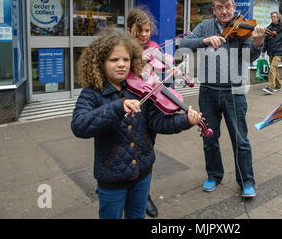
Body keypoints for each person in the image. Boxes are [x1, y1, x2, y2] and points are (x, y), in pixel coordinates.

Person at [71, 29, 202, 219]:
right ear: (100, 63)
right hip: (112, 177)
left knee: (137, 216)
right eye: (114, 60)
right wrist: (118, 107)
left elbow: (157, 123)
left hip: (143, 172)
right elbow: (79, 126)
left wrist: (185, 120)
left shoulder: (139, 88)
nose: (121, 64)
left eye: (126, 59)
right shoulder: (92, 93)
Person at [179, 0, 266, 198]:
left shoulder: (243, 27)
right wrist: (204, 41)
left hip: (234, 91)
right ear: (214, 10)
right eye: (220, 7)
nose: (225, 11)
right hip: (208, 91)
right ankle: (214, 175)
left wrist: (257, 43)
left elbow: (249, 58)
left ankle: (246, 181)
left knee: (240, 140)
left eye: (228, 7)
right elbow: (184, 44)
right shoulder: (205, 27)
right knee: (209, 137)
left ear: (234, 8)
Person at [125, 7, 160, 217]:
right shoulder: (122, 49)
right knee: (128, 149)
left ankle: (144, 194)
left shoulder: (154, 48)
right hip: (129, 103)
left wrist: (169, 68)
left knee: (147, 149)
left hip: (151, 104)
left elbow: (157, 72)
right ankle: (119, 187)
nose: (145, 35)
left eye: (147, 30)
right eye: (140, 30)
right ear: (130, 30)